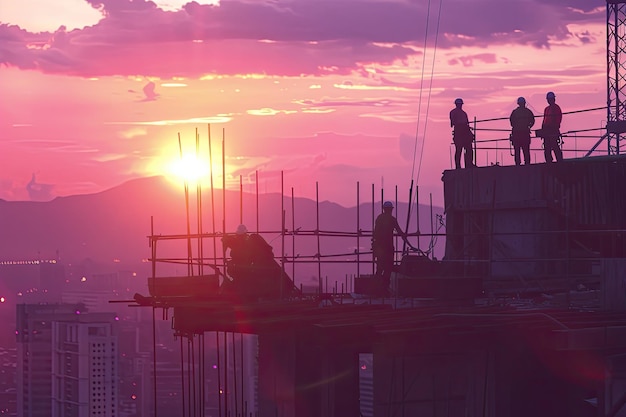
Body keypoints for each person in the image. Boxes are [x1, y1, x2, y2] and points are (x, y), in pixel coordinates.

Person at [372, 201, 410, 293]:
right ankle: (384, 288)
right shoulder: (392, 219)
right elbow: (400, 232)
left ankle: (377, 289)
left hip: (380, 248)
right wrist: (406, 237)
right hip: (388, 248)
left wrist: (375, 246)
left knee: (380, 268)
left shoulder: (379, 218)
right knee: (388, 268)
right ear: (390, 209)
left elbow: (375, 233)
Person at [449, 98, 474, 169]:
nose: (460, 106)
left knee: (468, 149)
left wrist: (469, 133)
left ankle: (469, 164)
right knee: (459, 149)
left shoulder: (463, 113)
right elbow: (453, 122)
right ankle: (458, 166)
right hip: (459, 132)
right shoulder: (454, 112)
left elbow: (466, 124)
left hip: (464, 132)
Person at [509, 97, 535, 165]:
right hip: (525, 133)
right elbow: (532, 121)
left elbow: (511, 122)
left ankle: (518, 164)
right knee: (526, 150)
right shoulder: (528, 112)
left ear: (518, 103)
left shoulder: (514, 112)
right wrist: (529, 126)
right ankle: (527, 164)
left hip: (517, 134)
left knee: (517, 150)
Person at [540, 91, 563, 162]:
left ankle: (559, 160)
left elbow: (557, 119)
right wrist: (543, 129)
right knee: (547, 147)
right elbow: (545, 120)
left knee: (554, 146)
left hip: (553, 129)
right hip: (548, 130)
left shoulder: (556, 108)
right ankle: (549, 161)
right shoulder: (547, 109)